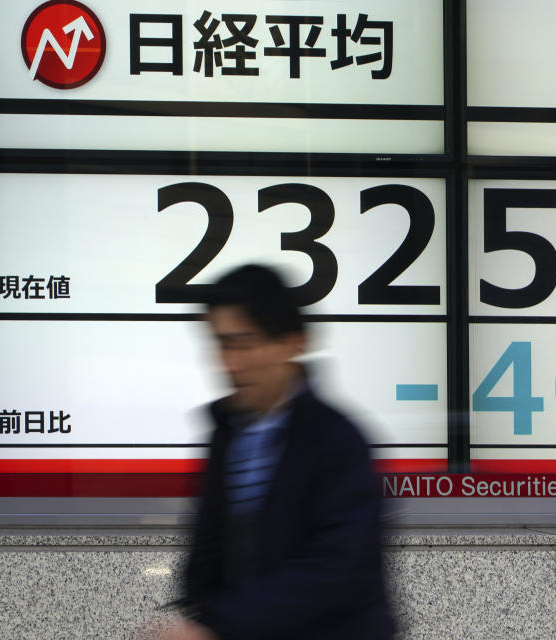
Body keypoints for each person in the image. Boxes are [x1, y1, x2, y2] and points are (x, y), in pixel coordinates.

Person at [154, 264, 393, 640]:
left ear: (291, 343)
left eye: (244, 344)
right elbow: (209, 555)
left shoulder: (337, 441)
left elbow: (338, 569)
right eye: (220, 343)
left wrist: (221, 624)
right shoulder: (226, 433)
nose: (229, 363)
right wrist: (199, 615)